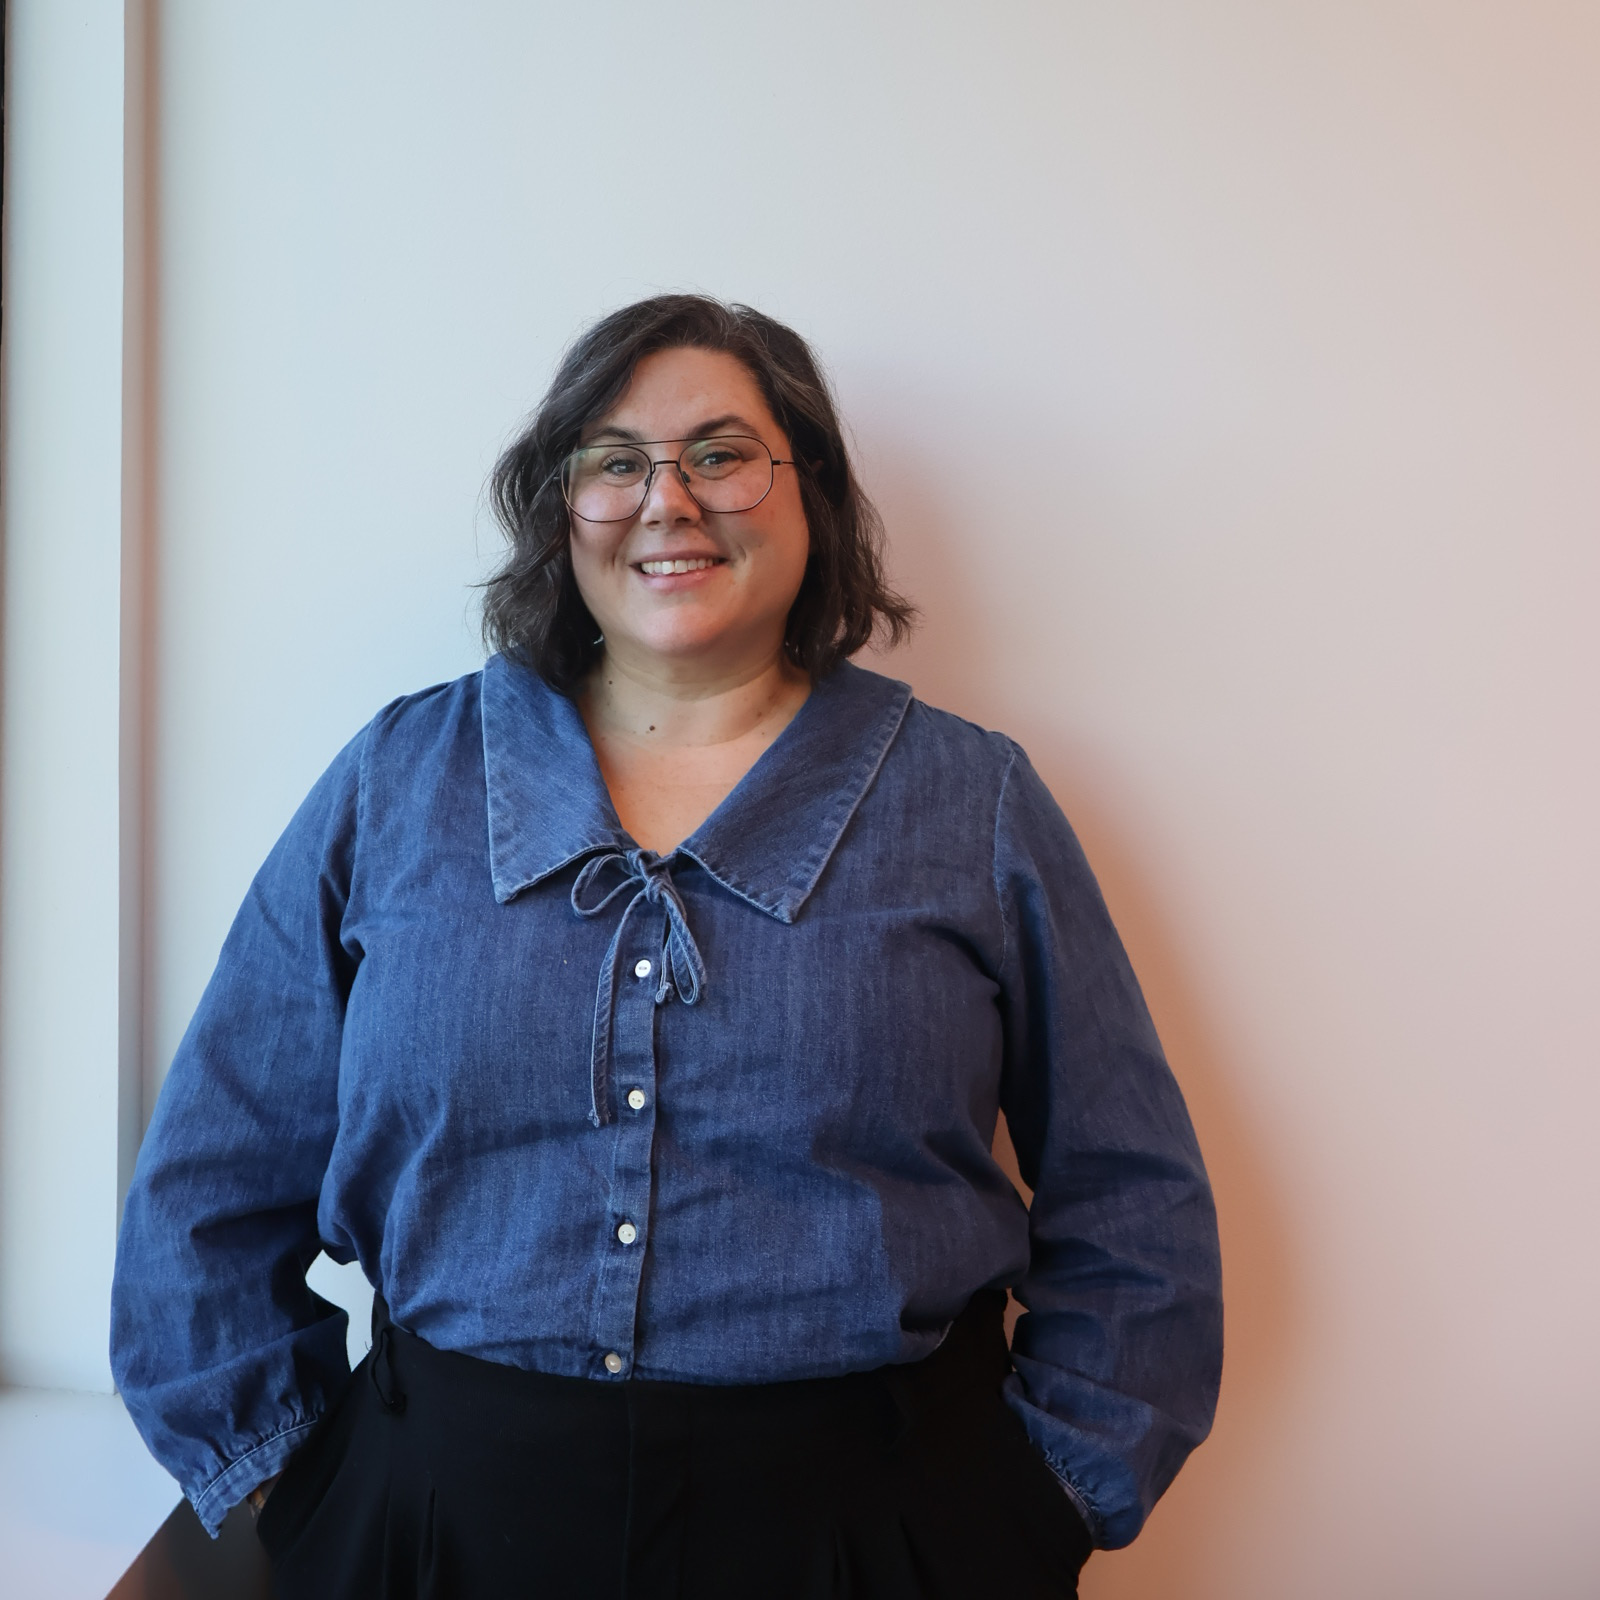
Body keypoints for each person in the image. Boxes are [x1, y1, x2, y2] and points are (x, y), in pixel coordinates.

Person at [111, 294, 1223, 1599]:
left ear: (810, 491)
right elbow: (210, 1179)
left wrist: (1034, 1508)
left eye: (721, 453)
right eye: (615, 461)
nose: (668, 500)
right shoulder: (400, 783)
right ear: (558, 509)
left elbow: (1133, 1199)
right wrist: (299, 1492)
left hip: (878, 1537)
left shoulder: (969, 802)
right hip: (434, 1535)